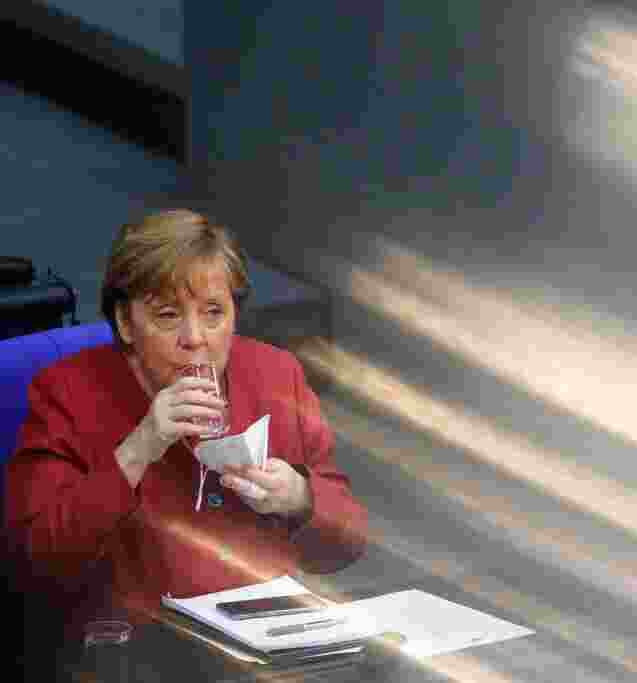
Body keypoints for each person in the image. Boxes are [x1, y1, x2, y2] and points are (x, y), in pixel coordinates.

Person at [3, 209, 368, 645]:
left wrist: (301, 499)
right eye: (168, 315)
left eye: (214, 312)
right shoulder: (66, 391)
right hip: (132, 648)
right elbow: (34, 563)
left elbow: (346, 545)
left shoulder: (277, 374)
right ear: (125, 321)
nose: (194, 338)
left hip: (266, 642)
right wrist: (139, 447)